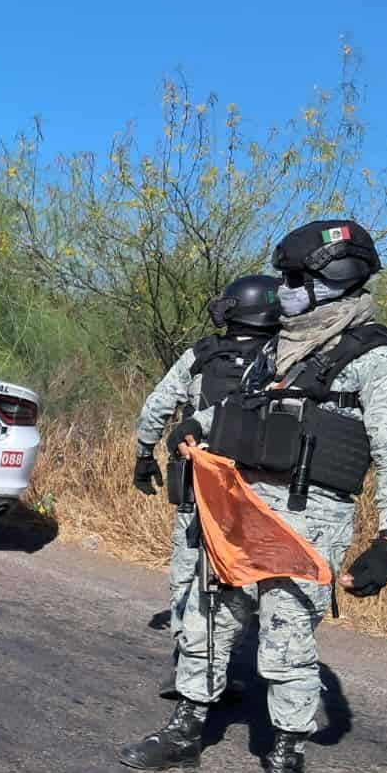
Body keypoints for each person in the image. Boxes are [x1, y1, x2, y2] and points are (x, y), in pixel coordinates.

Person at [119, 220, 387, 773]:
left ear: (333, 279)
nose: (282, 289)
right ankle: (186, 727)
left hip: (307, 518)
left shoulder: (377, 356)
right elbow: (233, 409)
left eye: (293, 278)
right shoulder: (277, 345)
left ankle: (286, 762)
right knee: (206, 614)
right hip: (234, 504)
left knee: (285, 637)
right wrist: (193, 429)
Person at [132, 275, 282, 672]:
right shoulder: (288, 358)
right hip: (264, 487)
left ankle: (190, 662)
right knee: (249, 575)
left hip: (203, 480)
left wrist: (144, 455)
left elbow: (157, 408)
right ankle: (233, 659)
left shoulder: (203, 354)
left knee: (188, 571)